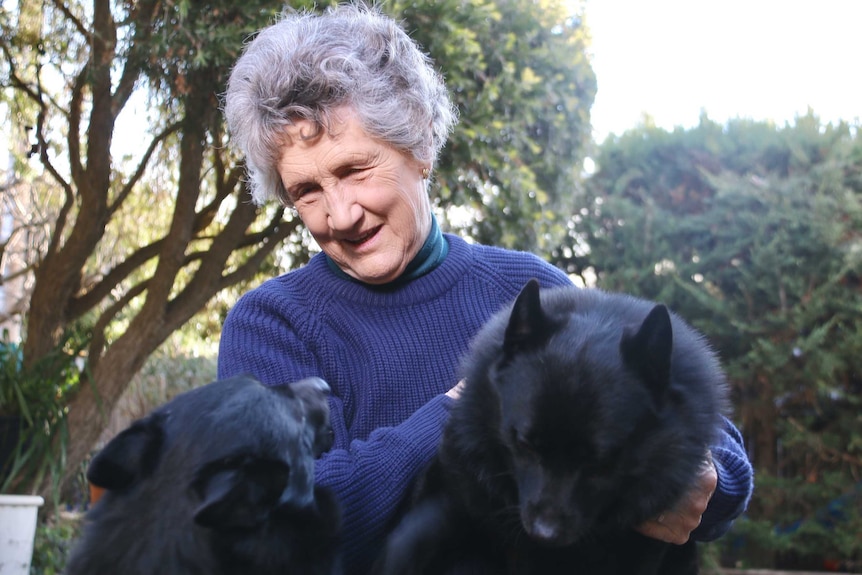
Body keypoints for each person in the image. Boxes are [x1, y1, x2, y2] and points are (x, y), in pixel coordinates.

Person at [218, 4, 753, 574]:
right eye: (306, 191)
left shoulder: (532, 293)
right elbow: (280, 534)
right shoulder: (271, 327)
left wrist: (706, 477)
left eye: (354, 170)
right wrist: (457, 409)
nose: (340, 213)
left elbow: (696, 439)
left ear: (419, 146)